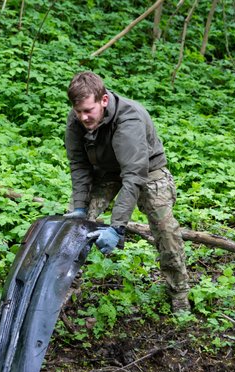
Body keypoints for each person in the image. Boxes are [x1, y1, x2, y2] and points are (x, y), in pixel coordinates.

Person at [65, 71, 190, 313]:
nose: (83, 117)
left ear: (103, 100)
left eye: (88, 110)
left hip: (147, 169)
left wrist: (117, 226)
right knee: (73, 226)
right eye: (78, 111)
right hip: (105, 172)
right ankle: (67, 283)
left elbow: (134, 176)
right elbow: (79, 165)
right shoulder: (77, 118)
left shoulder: (129, 118)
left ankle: (179, 292)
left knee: (165, 230)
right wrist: (80, 207)